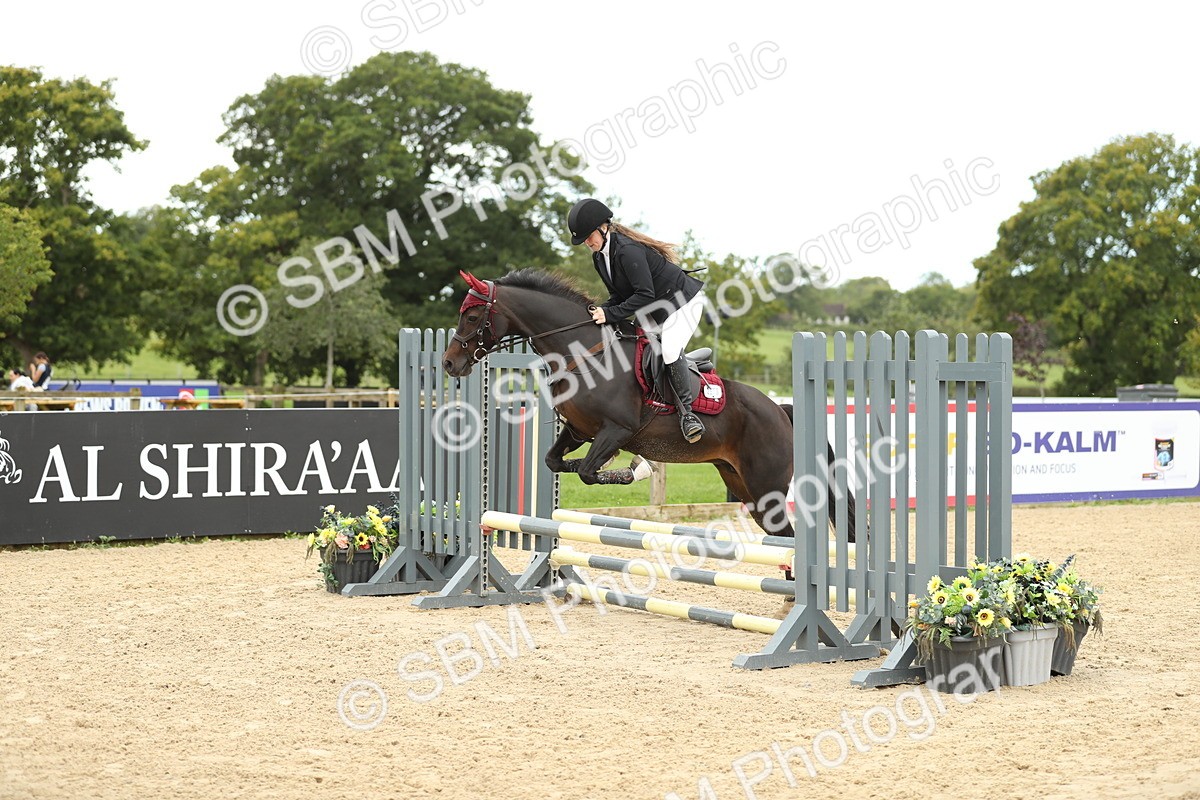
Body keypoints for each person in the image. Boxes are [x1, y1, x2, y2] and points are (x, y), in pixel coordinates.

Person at [567, 197, 708, 443]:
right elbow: (618, 296)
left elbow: (644, 294)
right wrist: (597, 312)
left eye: (589, 236)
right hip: (656, 307)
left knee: (669, 350)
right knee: (633, 347)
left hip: (683, 302)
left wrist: (609, 314)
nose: (587, 242)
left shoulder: (627, 250)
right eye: (584, 239)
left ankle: (688, 415)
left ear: (603, 227)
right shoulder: (600, 257)